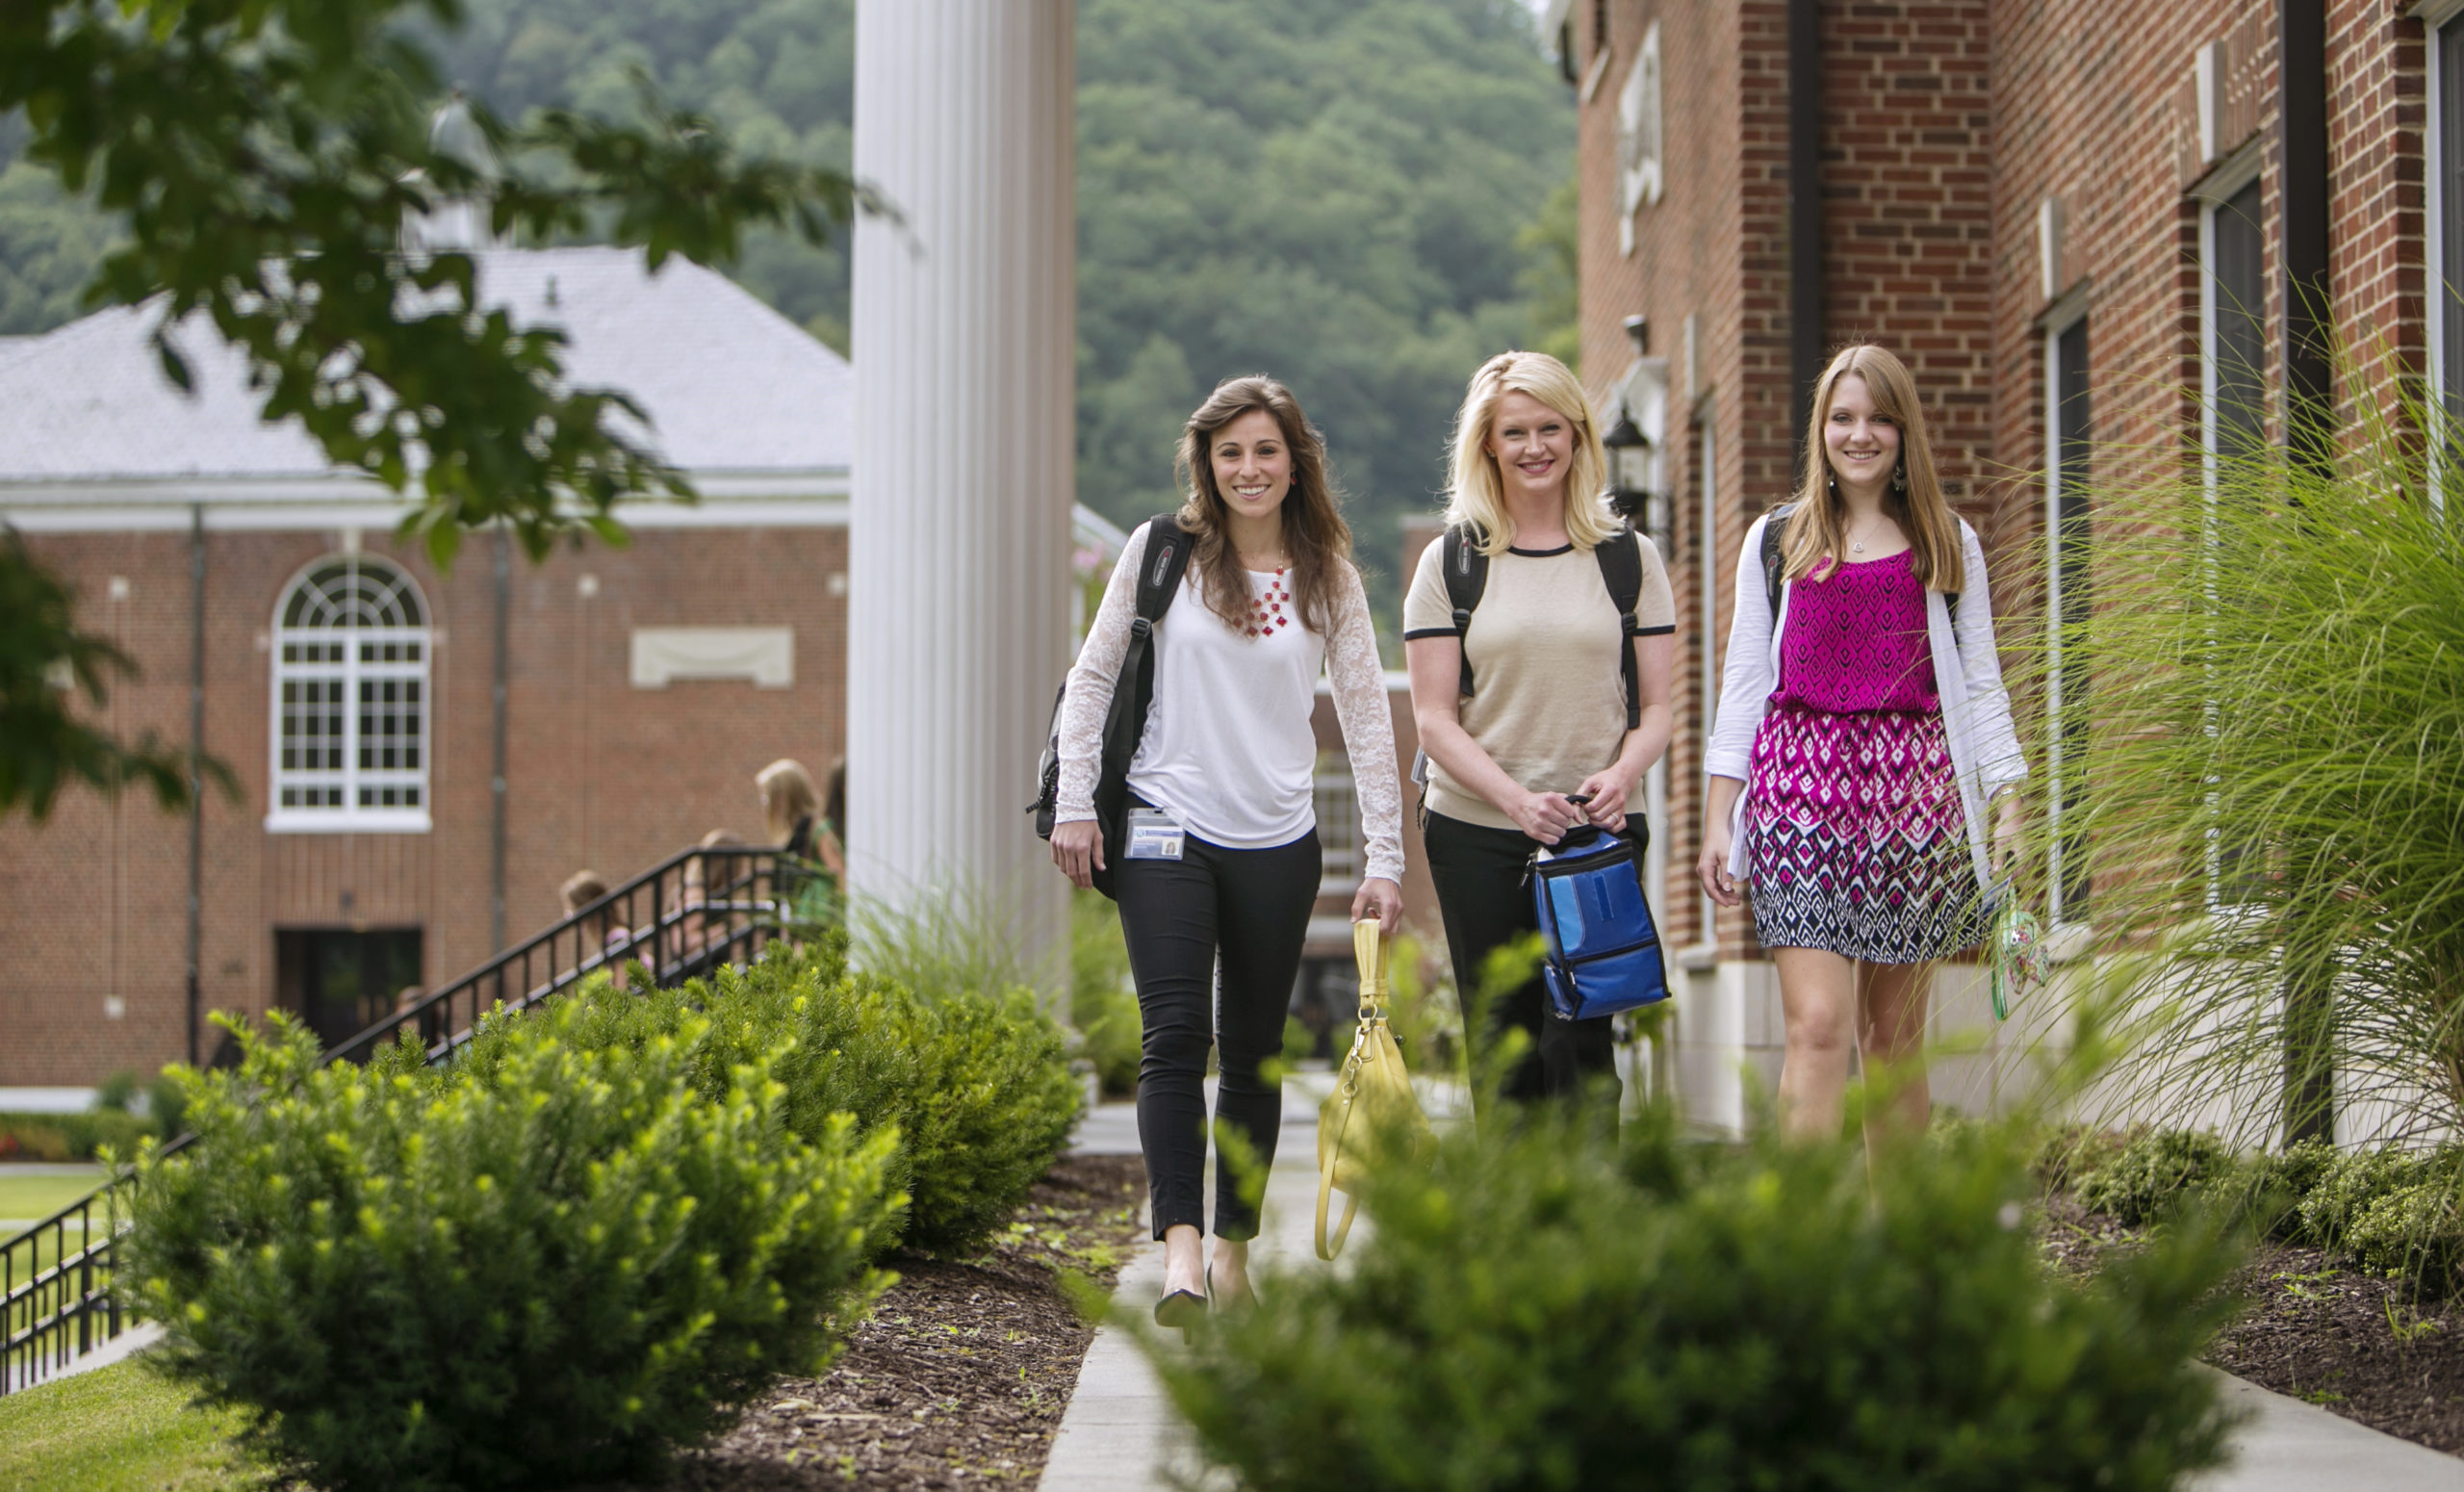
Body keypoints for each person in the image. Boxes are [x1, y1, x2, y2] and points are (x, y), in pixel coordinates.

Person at [1049, 374, 1403, 1327]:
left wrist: (1385, 860)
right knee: (1173, 1036)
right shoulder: (1160, 551)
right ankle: (1182, 1252)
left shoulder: (1327, 573)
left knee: (1254, 1051)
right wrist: (1076, 803)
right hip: (1166, 820)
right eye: (1230, 451)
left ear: (1296, 462)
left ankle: (1236, 1253)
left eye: (1265, 450)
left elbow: (1368, 721)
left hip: (1278, 840)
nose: (1248, 468)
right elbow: (1092, 680)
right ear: (1206, 462)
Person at [1697, 343, 2026, 1151]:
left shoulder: (1948, 543)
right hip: (1798, 797)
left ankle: (1895, 1250)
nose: (1861, 435)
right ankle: (1804, 1248)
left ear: (1904, 430)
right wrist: (1717, 818)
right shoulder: (1777, 541)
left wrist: (2010, 807)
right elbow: (1744, 682)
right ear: (1821, 430)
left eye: (1879, 417)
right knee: (1816, 1026)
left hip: (1914, 810)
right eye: (1843, 417)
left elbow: (1982, 687)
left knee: (1892, 1040)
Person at [1403, 350, 1676, 1117]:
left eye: (1550, 428)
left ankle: (1591, 1232)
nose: (1534, 447)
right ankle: (1508, 1234)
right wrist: (1518, 802)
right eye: (1514, 431)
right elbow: (1433, 718)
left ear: (1578, 434)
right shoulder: (1451, 561)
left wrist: (1622, 778)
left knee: (1585, 1052)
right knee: (1505, 1053)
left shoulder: (1629, 558)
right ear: (1487, 443)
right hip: (1478, 831)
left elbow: (1657, 708)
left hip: (1598, 834)